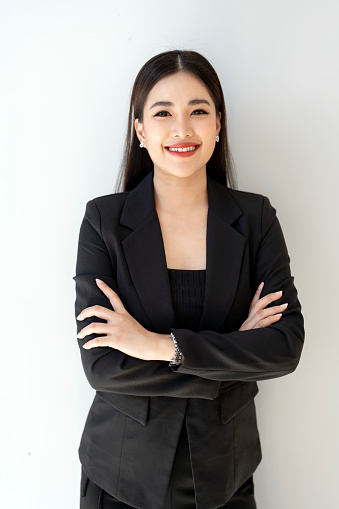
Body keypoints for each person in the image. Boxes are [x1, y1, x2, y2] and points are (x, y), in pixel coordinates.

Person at [73, 50, 304, 509]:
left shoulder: (255, 218)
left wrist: (160, 347)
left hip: (226, 477)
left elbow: (284, 348)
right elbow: (103, 367)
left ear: (218, 123)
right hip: (120, 476)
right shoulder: (104, 221)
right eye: (163, 113)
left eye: (199, 111)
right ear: (140, 129)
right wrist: (231, 359)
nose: (182, 129)